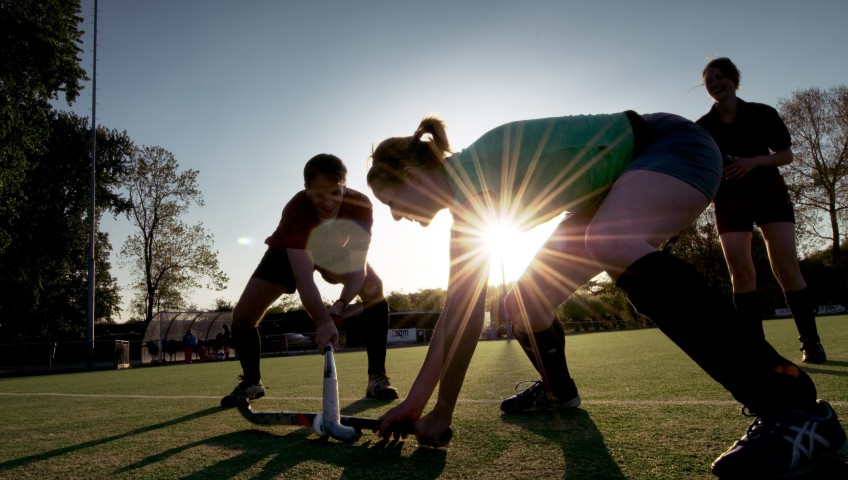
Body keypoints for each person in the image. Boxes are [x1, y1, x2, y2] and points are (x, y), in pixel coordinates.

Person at [367, 112, 845, 477]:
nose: (393, 216)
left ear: (410, 179)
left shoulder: (478, 176)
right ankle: (559, 393)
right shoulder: (465, 199)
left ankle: (793, 408)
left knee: (611, 244)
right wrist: (434, 410)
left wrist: (420, 402)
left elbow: (459, 318)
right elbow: (462, 315)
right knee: (521, 302)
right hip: (606, 186)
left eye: (390, 202)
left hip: (668, 145)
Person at [220, 153, 398, 407]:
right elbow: (304, 279)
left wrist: (339, 305)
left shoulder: (361, 206)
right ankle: (252, 382)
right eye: (318, 194)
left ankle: (376, 378)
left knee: (374, 288)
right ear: (306, 191)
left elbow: (358, 269)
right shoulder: (296, 210)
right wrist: (323, 321)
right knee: (243, 316)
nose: (327, 202)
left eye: (334, 192)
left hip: (335, 253)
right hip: (287, 253)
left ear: (344, 186)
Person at [697, 57, 826, 364]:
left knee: (785, 266)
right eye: (708, 82)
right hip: (728, 200)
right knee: (740, 272)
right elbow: (702, 168)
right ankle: (755, 350)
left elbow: (786, 155)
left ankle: (811, 342)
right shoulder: (702, 128)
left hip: (769, 194)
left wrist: (753, 161)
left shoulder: (762, 113)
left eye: (719, 78)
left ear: (734, 79)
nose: (715, 85)